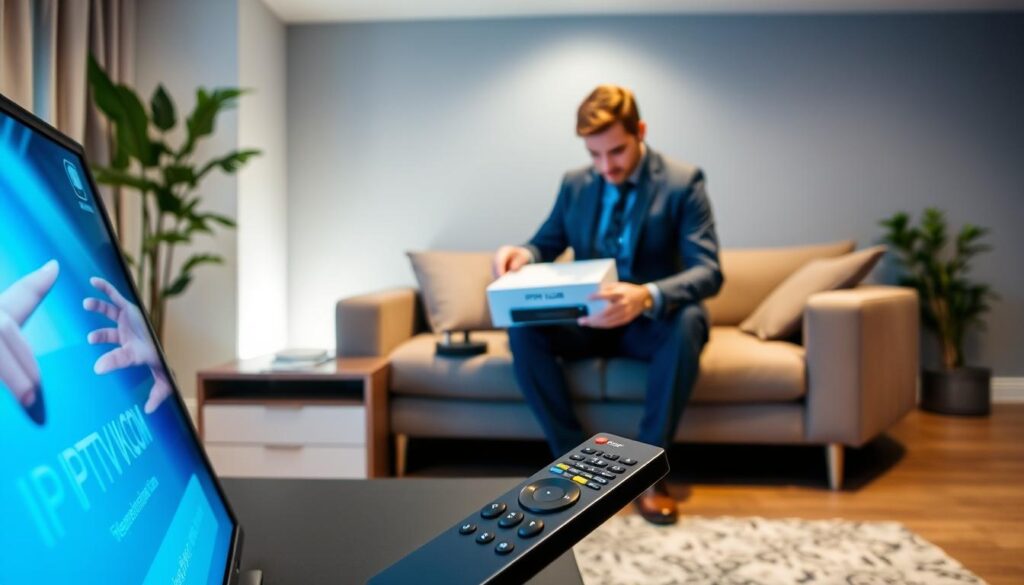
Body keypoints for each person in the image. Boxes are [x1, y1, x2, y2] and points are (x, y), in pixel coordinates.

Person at [493, 85, 723, 525]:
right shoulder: (575, 183)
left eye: (615, 152)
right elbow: (545, 243)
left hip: (646, 325)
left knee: (690, 319)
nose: (605, 167)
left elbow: (708, 271)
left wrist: (646, 295)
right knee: (521, 326)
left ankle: (647, 475)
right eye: (594, 155)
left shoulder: (683, 182)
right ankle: (575, 467)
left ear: (640, 131)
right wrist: (522, 254)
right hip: (585, 320)